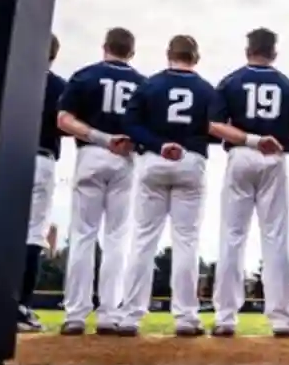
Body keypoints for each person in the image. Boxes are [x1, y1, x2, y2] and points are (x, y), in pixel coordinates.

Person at [117, 35, 216, 337]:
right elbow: (216, 129)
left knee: (143, 240)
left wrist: (160, 145)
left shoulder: (149, 85)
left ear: (168, 54)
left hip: (153, 161)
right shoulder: (207, 90)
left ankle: (130, 316)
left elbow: (130, 125)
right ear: (195, 57)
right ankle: (186, 317)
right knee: (186, 241)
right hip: (190, 162)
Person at [209, 27, 289, 338]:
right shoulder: (287, 85)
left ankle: (225, 316)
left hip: (241, 153)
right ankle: (280, 318)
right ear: (274, 52)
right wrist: (272, 132)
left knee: (232, 237)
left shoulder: (230, 81)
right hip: (274, 157)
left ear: (248, 50)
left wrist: (251, 137)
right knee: (275, 238)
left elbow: (215, 126)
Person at [57, 27, 146, 335]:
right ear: (131, 52)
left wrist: (101, 137)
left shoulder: (84, 76)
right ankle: (109, 312)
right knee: (117, 238)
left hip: (92, 153)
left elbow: (63, 120)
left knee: (82, 236)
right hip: (126, 158)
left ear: (105, 46)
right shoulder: (142, 83)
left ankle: (76, 314)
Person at [18, 34, 68, 333]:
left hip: (4, 160)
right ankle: (21, 306)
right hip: (42, 158)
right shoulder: (60, 86)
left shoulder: (9, 80)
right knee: (34, 234)